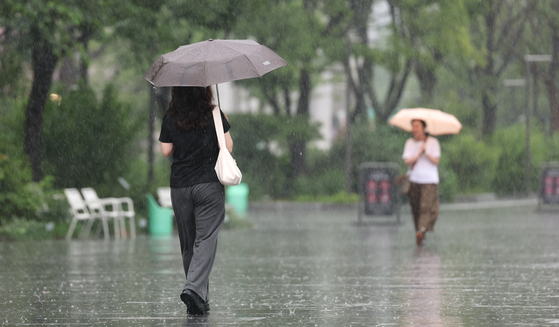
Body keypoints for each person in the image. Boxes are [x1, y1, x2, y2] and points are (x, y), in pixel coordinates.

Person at [158, 86, 233, 315]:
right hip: (209, 185)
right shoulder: (214, 114)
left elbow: (165, 151)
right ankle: (193, 289)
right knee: (206, 239)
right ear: (205, 91)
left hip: (180, 186)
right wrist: (222, 124)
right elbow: (227, 147)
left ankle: (199, 297)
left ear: (177, 91)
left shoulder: (171, 117)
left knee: (189, 243)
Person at [402, 119, 440, 246]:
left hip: (429, 180)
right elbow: (407, 161)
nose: (415, 129)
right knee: (415, 209)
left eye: (417, 126)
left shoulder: (433, 142)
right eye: (413, 126)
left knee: (426, 207)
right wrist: (418, 155)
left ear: (423, 128)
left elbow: (436, 161)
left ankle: (421, 230)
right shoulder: (409, 143)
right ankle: (420, 232)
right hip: (414, 179)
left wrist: (426, 153)